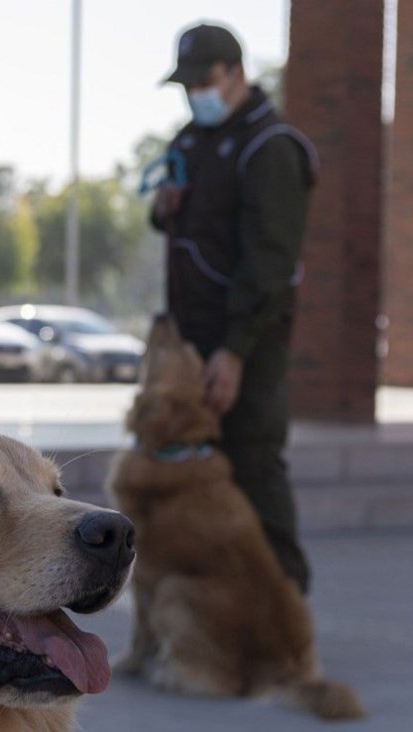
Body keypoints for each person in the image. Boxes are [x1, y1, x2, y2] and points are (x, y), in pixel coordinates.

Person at [150, 22, 317, 594]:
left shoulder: (271, 148)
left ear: (238, 74)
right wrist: (163, 207)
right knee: (190, 480)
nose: (196, 92)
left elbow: (270, 265)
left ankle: (287, 609)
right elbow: (178, 225)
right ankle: (215, 608)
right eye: (187, 83)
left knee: (253, 467)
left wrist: (235, 352)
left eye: (205, 79)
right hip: (191, 341)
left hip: (247, 344)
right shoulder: (189, 142)